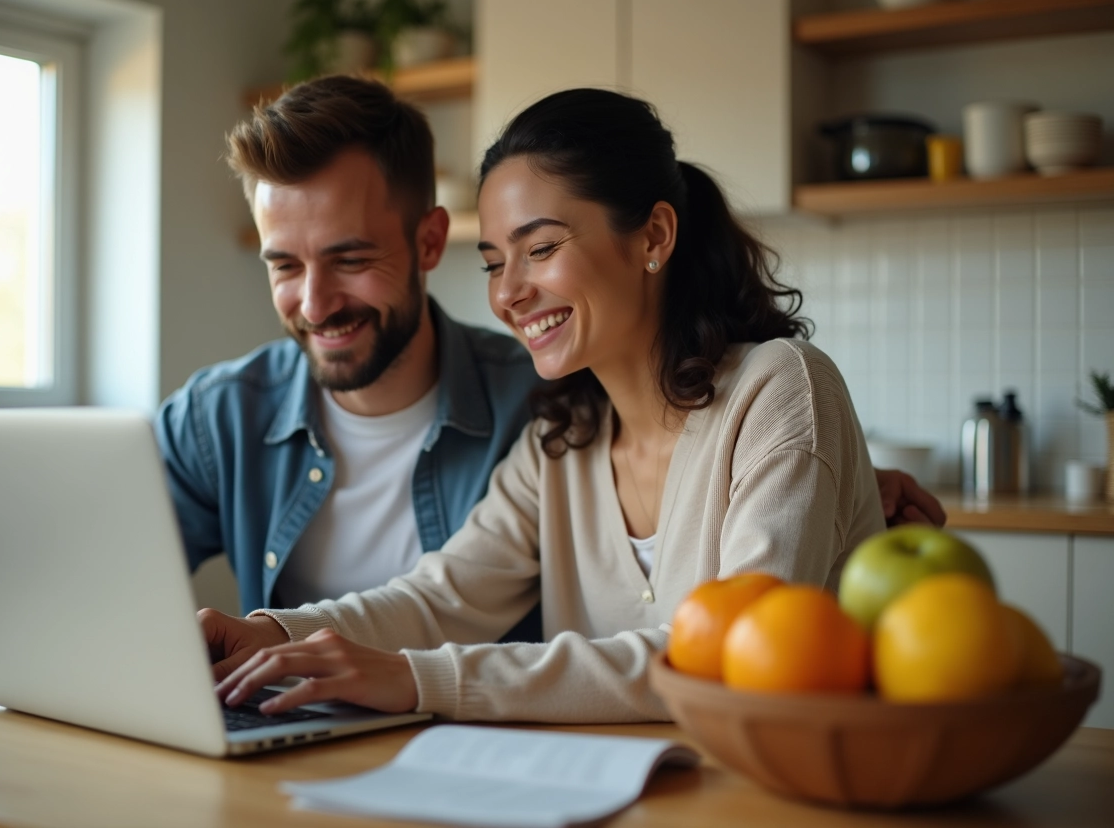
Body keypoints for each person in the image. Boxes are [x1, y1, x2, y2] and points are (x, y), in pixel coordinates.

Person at [201, 88, 898, 724]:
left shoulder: (777, 390)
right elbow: (441, 598)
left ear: (654, 236)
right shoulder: (561, 438)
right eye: (495, 262)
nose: (509, 294)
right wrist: (275, 633)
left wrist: (417, 679)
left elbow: (734, 659)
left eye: (540, 248)